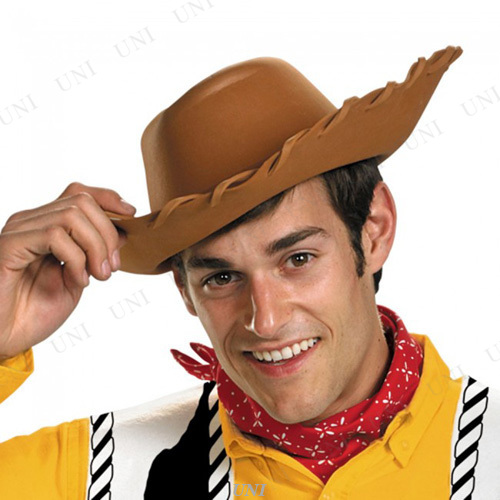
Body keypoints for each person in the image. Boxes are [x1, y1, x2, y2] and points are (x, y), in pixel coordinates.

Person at [1, 45, 499, 499]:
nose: (266, 320)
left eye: (297, 259)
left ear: (374, 231)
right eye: (222, 278)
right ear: (185, 290)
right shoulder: (102, 474)